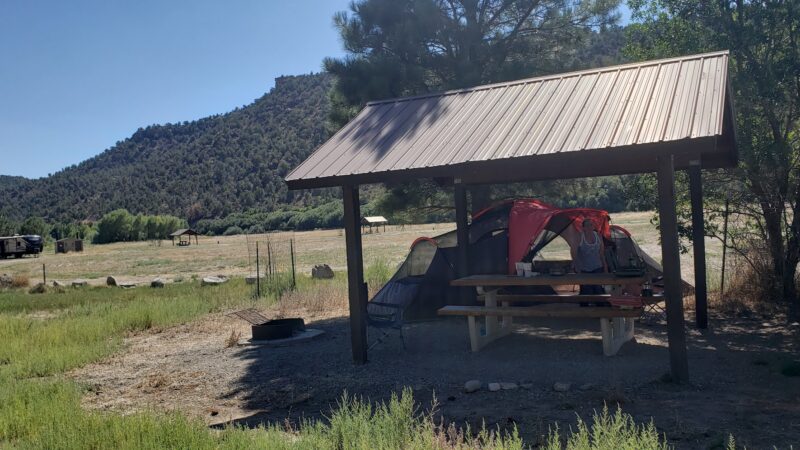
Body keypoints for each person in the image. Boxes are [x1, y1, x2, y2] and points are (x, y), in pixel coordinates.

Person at [571, 218, 608, 299]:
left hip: (598, 267)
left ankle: (599, 308)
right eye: (587, 225)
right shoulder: (579, 237)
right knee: (586, 292)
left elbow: (601, 253)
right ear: (583, 227)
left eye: (591, 225)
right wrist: (577, 267)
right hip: (584, 269)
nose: (589, 227)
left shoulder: (598, 236)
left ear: (593, 226)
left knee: (598, 290)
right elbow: (573, 252)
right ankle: (584, 309)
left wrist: (605, 266)